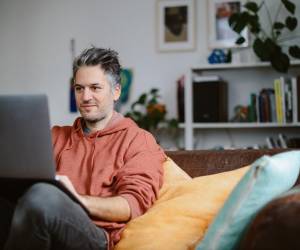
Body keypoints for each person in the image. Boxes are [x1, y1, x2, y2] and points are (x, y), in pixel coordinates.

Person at [0, 47, 166, 250]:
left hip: (95, 237)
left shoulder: (139, 140)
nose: (85, 97)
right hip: (41, 224)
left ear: (116, 91)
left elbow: (131, 205)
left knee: (43, 196)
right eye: (79, 88)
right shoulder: (54, 135)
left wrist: (77, 200)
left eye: (95, 88)